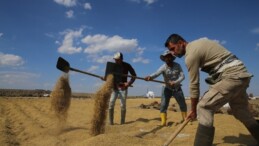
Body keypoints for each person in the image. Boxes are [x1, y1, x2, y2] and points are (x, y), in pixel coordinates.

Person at [164, 34, 259, 145]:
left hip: (231, 76)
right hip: (242, 75)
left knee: (204, 107)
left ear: (181, 43)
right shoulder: (201, 41)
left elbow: (194, 84)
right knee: (241, 111)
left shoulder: (190, 55)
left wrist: (194, 110)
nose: (173, 53)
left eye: (173, 48)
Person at [144, 50, 187, 126]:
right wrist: (150, 77)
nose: (167, 59)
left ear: (172, 58)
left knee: (182, 104)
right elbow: (156, 73)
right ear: (164, 59)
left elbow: (182, 76)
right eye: (165, 58)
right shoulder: (163, 67)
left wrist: (175, 82)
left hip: (177, 88)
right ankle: (163, 122)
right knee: (163, 105)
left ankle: (185, 119)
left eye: (168, 57)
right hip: (166, 88)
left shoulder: (178, 65)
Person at [108, 52, 136, 125]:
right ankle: (111, 123)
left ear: (121, 59)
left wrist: (128, 83)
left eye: (117, 60)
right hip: (114, 87)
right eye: (115, 60)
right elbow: (109, 75)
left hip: (123, 87)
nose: (116, 61)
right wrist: (104, 78)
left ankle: (122, 123)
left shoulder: (127, 65)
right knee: (111, 103)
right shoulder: (113, 66)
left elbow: (134, 75)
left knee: (122, 105)